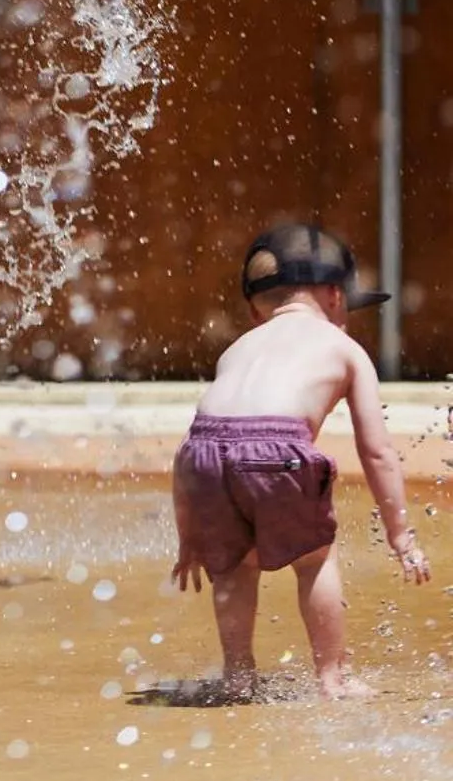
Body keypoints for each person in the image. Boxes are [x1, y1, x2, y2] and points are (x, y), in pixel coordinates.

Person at [172, 225, 430, 700]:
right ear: (335, 295)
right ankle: (332, 678)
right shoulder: (344, 348)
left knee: (232, 566)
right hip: (276, 451)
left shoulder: (236, 349)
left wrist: (189, 535)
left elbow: (194, 450)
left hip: (201, 455)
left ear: (255, 309)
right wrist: (400, 534)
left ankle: (238, 675)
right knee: (315, 559)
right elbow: (376, 451)